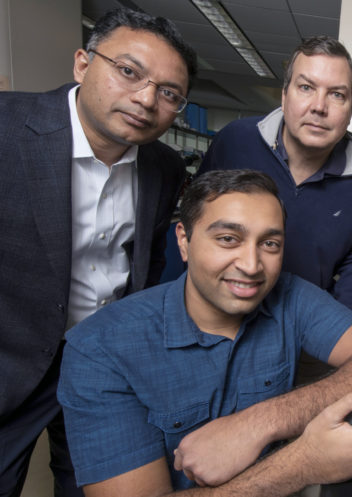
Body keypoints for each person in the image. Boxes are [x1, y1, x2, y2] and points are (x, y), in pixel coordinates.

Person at [57, 170, 352, 496]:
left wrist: (258, 424)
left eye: (270, 244)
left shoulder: (291, 296)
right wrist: (303, 463)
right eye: (228, 239)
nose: (251, 266)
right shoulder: (98, 348)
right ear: (184, 241)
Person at [0, 8, 197, 497]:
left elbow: (146, 264)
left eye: (169, 93)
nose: (146, 99)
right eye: (129, 72)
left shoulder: (164, 166)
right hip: (11, 363)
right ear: (83, 65)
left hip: (103, 364)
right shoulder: (8, 129)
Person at [197, 36, 352, 317]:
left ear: (351, 110)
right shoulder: (234, 141)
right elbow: (195, 225)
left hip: (302, 327)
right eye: (306, 87)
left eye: (337, 94)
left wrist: (342, 342)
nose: (319, 106)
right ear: (285, 95)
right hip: (216, 314)